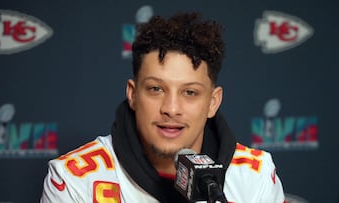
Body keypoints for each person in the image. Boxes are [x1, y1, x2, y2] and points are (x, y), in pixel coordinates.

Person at [40, 12, 285, 203]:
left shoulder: (256, 176)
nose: (171, 108)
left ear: (213, 102)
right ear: (133, 95)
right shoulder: (73, 179)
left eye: (190, 92)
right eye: (156, 89)